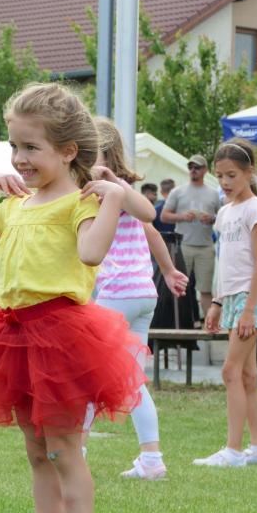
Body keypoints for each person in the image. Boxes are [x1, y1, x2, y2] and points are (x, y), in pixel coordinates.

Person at [0, 82, 145, 513]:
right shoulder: (17, 203)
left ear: (67, 151)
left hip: (59, 338)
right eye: (13, 146)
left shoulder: (76, 203)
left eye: (31, 147)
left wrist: (112, 200)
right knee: (37, 451)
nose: (19, 158)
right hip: (11, 336)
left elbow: (91, 253)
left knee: (63, 449)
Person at [88, 118, 188, 481]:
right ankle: (151, 459)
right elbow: (151, 231)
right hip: (143, 294)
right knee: (132, 380)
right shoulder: (121, 190)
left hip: (119, 294)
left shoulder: (108, 190)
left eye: (86, 150)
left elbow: (149, 214)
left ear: (105, 154)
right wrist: (169, 271)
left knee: (85, 374)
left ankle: (74, 452)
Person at [193, 140, 257, 467]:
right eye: (221, 175)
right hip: (232, 298)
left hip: (252, 298)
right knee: (247, 375)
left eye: (232, 175)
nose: (225, 182)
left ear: (248, 172)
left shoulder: (256, 210)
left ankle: (234, 450)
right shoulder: (225, 213)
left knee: (231, 370)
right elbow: (224, 261)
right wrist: (216, 303)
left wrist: (249, 309)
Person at [160, 155, 220, 317]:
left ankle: (209, 325)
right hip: (183, 246)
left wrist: (212, 218)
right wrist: (182, 216)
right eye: (191, 167)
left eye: (197, 167)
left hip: (206, 246)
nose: (193, 170)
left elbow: (222, 216)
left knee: (205, 290)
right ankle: (180, 323)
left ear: (205, 170)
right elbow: (163, 216)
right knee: (179, 287)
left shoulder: (213, 193)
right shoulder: (178, 191)